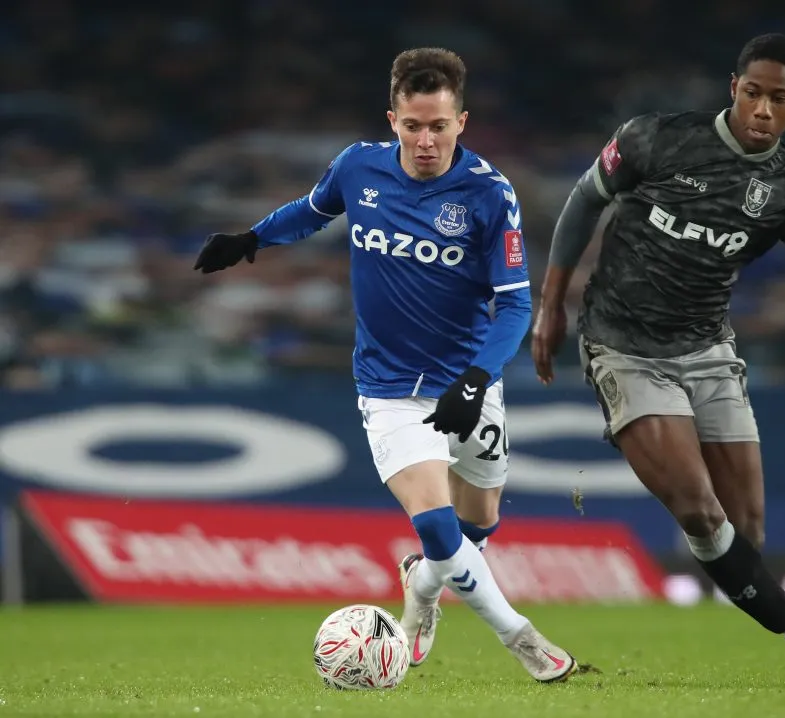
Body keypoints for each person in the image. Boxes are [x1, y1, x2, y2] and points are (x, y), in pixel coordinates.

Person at [193, 47, 577, 683]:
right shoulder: (358, 167)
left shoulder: (488, 194)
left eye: (439, 126)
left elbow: (514, 307)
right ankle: (524, 640)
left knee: (476, 525)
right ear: (392, 119)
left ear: (462, 122)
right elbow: (310, 211)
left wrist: (477, 379)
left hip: (466, 379)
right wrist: (251, 239)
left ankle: (421, 592)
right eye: (412, 125)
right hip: (389, 388)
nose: (425, 141)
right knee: (435, 524)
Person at [532, 33, 785, 678]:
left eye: (779, 99)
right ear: (734, 88)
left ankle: (781, 620)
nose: (762, 111)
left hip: (708, 350)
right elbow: (584, 202)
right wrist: (552, 306)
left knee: (745, 532)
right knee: (697, 509)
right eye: (753, 93)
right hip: (624, 346)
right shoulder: (655, 139)